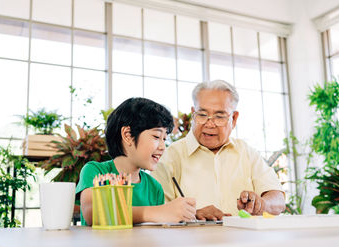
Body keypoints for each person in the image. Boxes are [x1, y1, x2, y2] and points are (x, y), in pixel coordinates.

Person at [151, 80, 285, 221]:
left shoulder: (246, 152)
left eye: (219, 117)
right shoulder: (170, 156)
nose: (209, 124)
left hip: (244, 241)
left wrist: (261, 204)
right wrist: (193, 215)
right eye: (202, 115)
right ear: (193, 114)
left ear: (234, 118)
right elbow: (154, 212)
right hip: (190, 242)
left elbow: (278, 199)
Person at [76, 97, 196, 226]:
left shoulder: (154, 187)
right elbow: (93, 213)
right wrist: (155, 213)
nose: (162, 147)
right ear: (127, 135)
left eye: (164, 139)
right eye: (156, 136)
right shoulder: (96, 172)